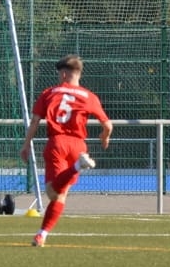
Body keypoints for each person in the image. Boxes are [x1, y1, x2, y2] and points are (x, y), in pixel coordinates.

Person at [19, 54, 113, 247]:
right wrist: (105, 137)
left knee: (52, 193)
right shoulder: (89, 96)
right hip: (79, 145)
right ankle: (42, 235)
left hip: (57, 143)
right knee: (61, 195)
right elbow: (108, 125)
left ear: (63, 74)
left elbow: (35, 121)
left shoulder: (49, 93)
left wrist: (26, 144)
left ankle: (77, 166)